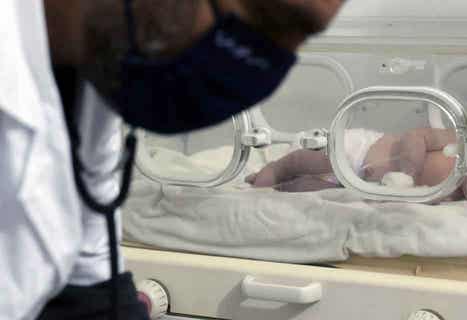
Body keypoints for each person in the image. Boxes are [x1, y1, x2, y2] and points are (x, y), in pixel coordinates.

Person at [1, 0, 343, 319]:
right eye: (266, 17)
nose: (259, 66)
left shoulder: (91, 76)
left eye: (300, 37)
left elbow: (90, 291)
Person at [246, 128, 467, 202]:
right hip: (362, 154)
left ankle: (278, 189)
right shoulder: (454, 142)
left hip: (361, 189)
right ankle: (272, 171)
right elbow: (413, 138)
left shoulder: (456, 199)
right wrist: (406, 170)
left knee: (306, 190)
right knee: (304, 159)